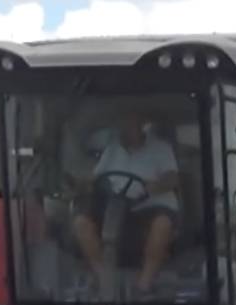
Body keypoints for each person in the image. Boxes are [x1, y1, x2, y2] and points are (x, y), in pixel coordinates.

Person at [69, 108, 181, 294]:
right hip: (116, 207)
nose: (126, 128)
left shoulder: (161, 148)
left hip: (151, 206)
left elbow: (173, 178)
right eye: (122, 124)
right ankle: (105, 280)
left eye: (130, 123)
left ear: (141, 125)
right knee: (81, 223)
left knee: (162, 224)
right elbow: (97, 177)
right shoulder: (112, 149)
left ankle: (143, 285)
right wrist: (79, 184)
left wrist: (154, 186)